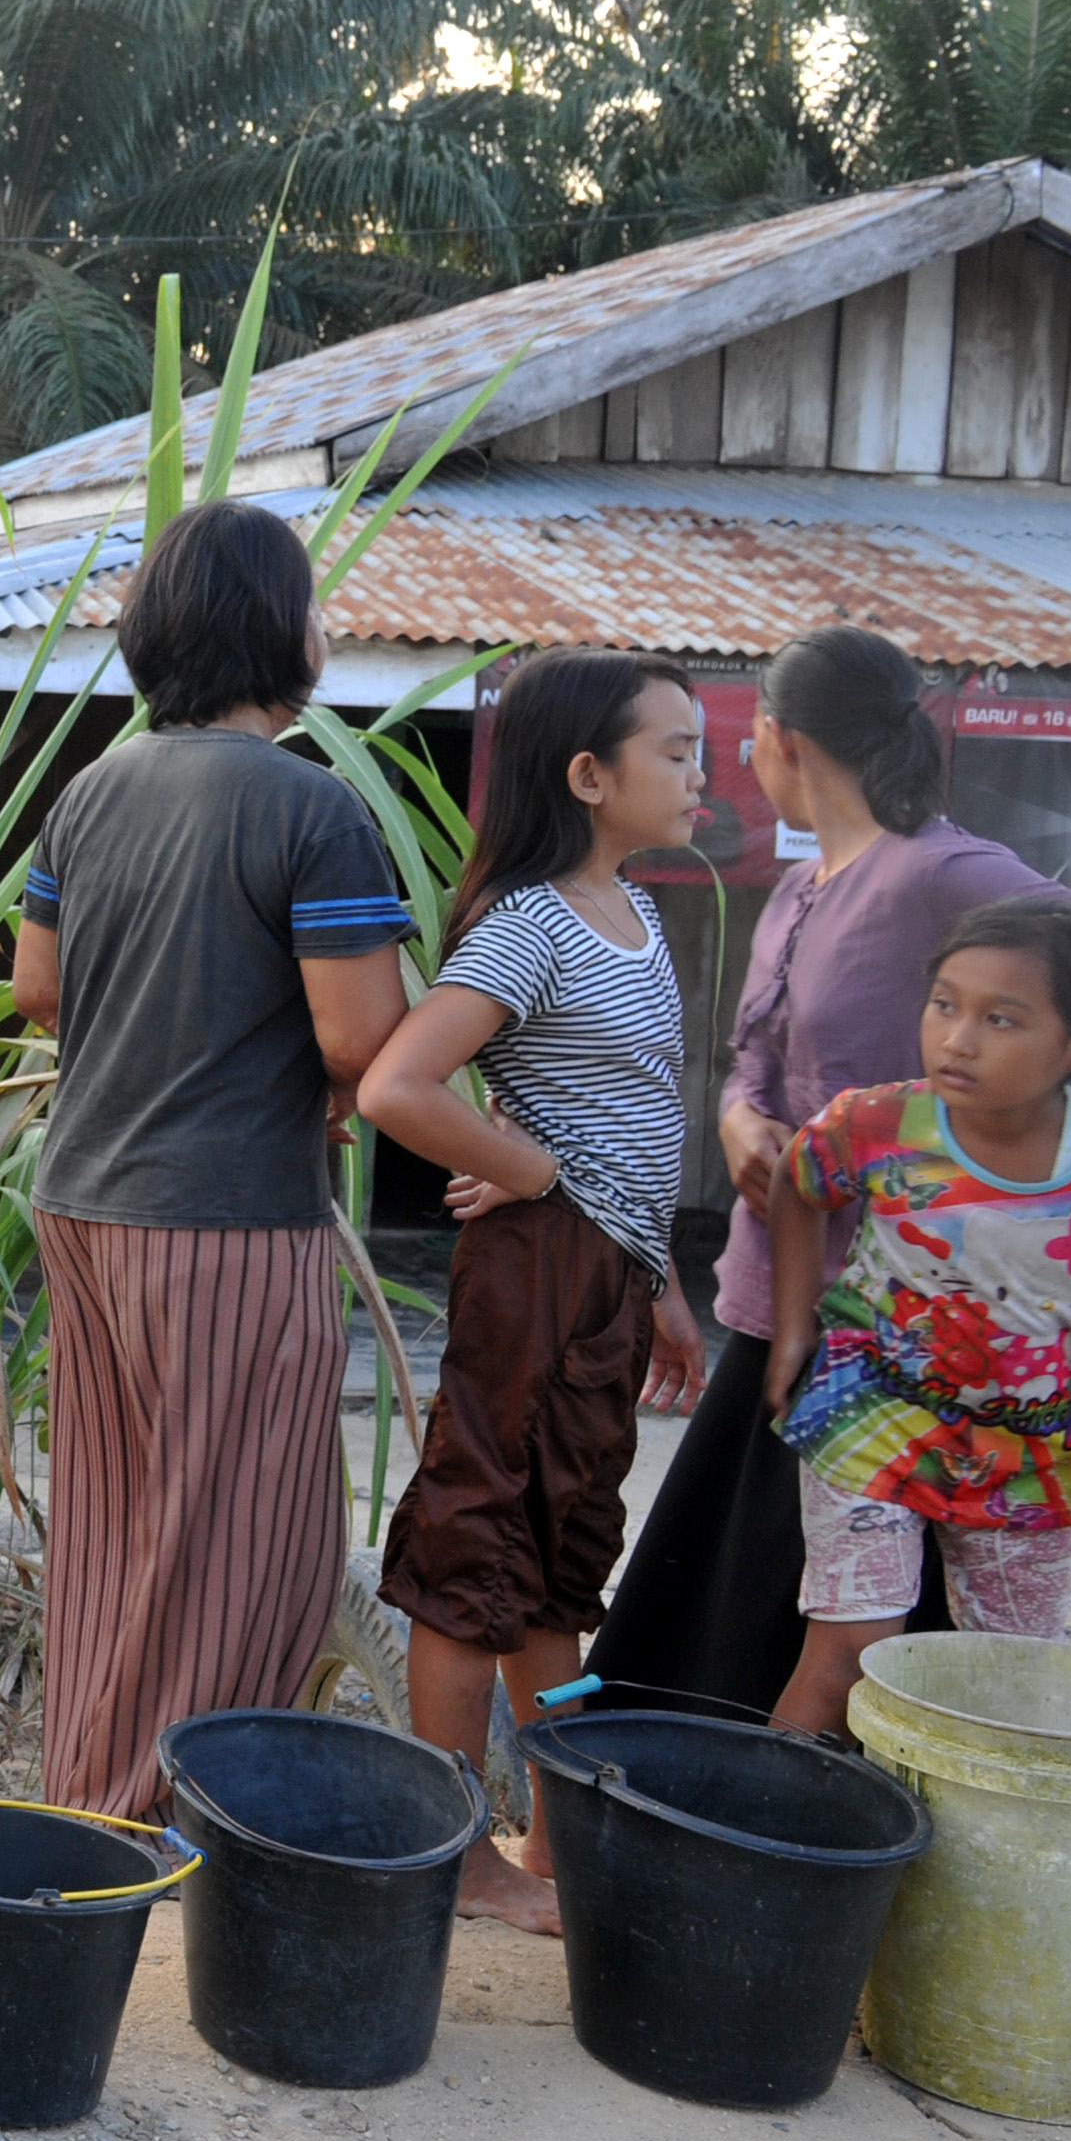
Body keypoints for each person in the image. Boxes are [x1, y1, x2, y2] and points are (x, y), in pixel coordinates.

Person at [589, 626, 1071, 1717]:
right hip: (781, 1288)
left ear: (780, 739)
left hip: (908, 1324)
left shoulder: (941, 870)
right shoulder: (798, 885)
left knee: (881, 1649)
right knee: (734, 1616)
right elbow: (754, 1062)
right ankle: (709, 1795)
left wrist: (987, 1145)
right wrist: (737, 1119)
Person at [6, 501, 411, 1822]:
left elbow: (36, 988)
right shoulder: (312, 808)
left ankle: (84, 1797)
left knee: (117, 1535)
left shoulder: (94, 791)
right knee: (250, 1550)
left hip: (84, 1202)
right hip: (227, 1224)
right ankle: (163, 1822)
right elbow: (360, 1038)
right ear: (279, 630)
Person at [355, 649, 712, 1934]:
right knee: (474, 1545)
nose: (700, 775)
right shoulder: (533, 922)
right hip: (538, 1275)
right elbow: (396, 1086)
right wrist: (531, 1170)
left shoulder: (634, 912)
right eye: (675, 750)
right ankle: (456, 1850)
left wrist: (659, 1280)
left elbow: (631, 1118)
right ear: (587, 775)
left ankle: (553, 1833)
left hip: (604, 1275)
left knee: (557, 1554)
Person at [762, 898, 1071, 1736]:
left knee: (1015, 1681)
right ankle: (767, 1817)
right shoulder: (877, 1121)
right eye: (944, 1004)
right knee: (848, 1659)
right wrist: (796, 1328)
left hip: (1033, 1441)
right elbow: (796, 1185)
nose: (956, 1038)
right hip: (875, 1409)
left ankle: (946, 1823)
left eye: (1001, 1019)